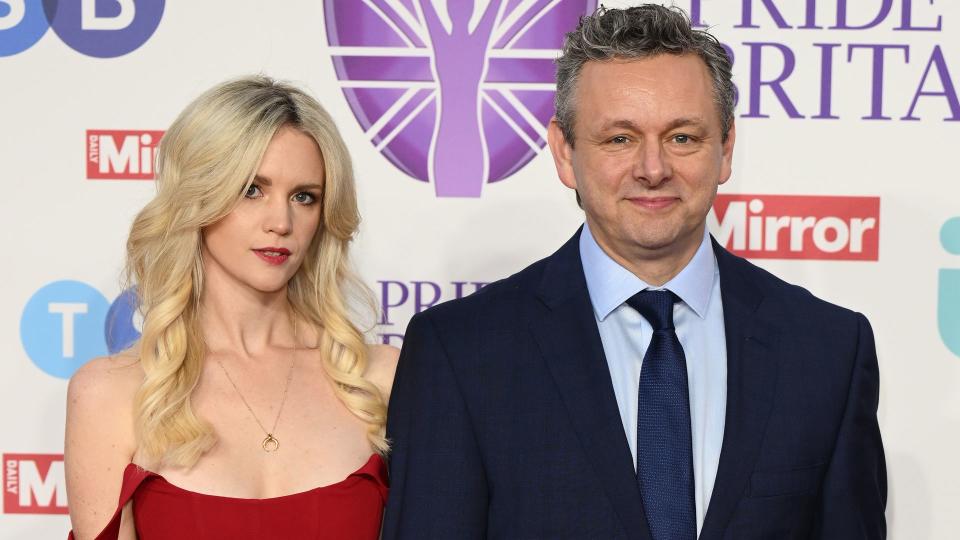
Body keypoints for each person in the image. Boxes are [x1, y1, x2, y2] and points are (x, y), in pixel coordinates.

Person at [383, 5, 886, 539]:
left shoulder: (827, 348)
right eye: (619, 138)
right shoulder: (460, 352)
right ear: (563, 152)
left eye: (683, 137)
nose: (653, 169)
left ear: (725, 149)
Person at [65, 76, 399, 540]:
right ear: (199, 195)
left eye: (305, 197)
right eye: (251, 190)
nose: (281, 222)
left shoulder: (380, 380)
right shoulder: (110, 393)